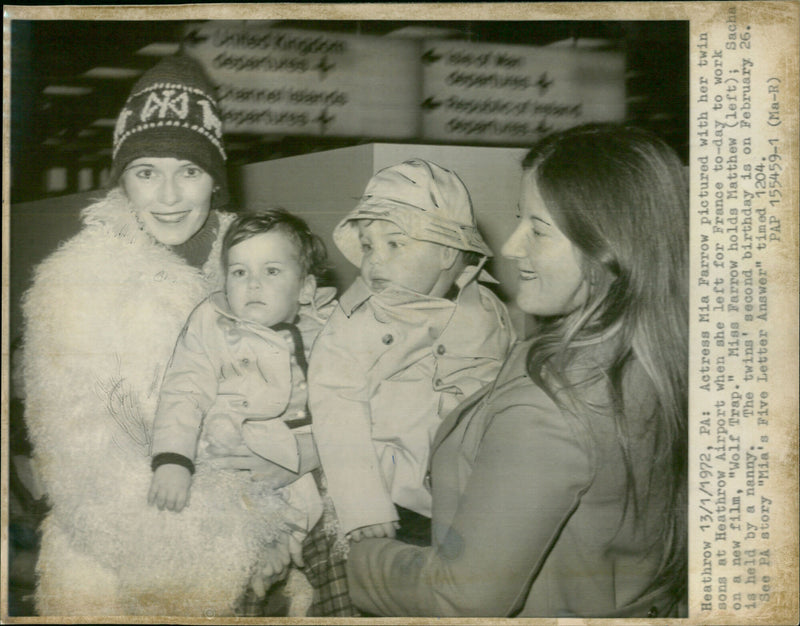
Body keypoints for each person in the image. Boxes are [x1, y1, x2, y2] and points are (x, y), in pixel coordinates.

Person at [345, 124, 689, 618]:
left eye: (538, 228)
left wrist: (352, 557)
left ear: (609, 245)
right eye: (517, 219)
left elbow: (458, 597)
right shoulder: (655, 358)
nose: (509, 246)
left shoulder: (551, 406)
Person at [20, 55, 298, 616]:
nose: (169, 196)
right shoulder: (75, 284)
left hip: (276, 559)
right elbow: (85, 470)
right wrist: (243, 544)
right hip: (128, 576)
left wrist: (290, 525)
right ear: (122, 180)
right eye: (147, 171)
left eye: (189, 171)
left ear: (215, 179)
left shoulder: (261, 265)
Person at [305, 159, 514, 611]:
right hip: (388, 505)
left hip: (466, 502)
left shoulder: (488, 312)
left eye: (394, 243)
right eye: (366, 245)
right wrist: (363, 507)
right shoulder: (355, 323)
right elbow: (335, 404)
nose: (374, 258)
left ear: (445, 252)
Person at [147, 209, 337, 586]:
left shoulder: (331, 328)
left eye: (271, 271)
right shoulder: (211, 323)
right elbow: (183, 389)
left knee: (326, 501)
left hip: (307, 446)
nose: (252, 284)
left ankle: (286, 541)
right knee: (229, 488)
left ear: (305, 288)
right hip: (237, 442)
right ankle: (264, 541)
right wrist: (172, 458)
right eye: (239, 272)